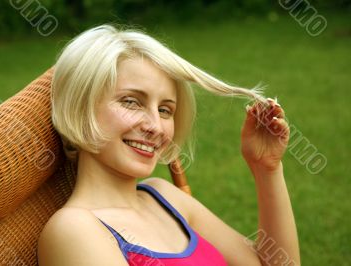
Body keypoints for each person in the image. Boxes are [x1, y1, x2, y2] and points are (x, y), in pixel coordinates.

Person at [37, 25, 300, 265]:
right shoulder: (75, 229)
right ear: (81, 109)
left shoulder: (163, 197)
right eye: (131, 102)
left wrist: (266, 168)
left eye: (165, 110)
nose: (156, 126)